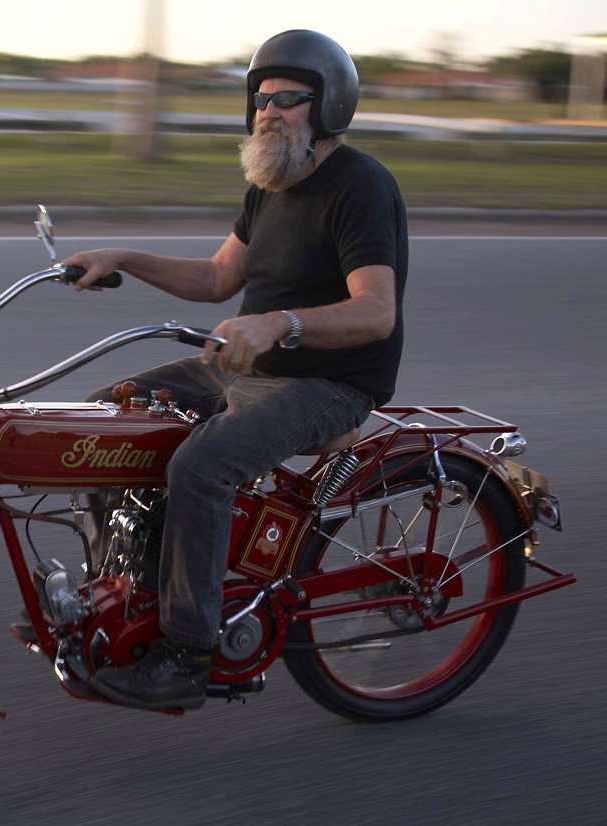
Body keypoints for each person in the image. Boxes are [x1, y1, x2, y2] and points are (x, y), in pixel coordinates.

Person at [62, 29, 408, 711]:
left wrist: (279, 323)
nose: (268, 111)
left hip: (328, 382)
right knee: (101, 424)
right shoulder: (271, 183)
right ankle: (127, 595)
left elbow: (377, 312)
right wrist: (123, 257)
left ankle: (188, 653)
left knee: (201, 467)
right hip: (241, 369)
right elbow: (218, 278)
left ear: (329, 106)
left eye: (288, 99)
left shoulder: (360, 186)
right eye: (260, 98)